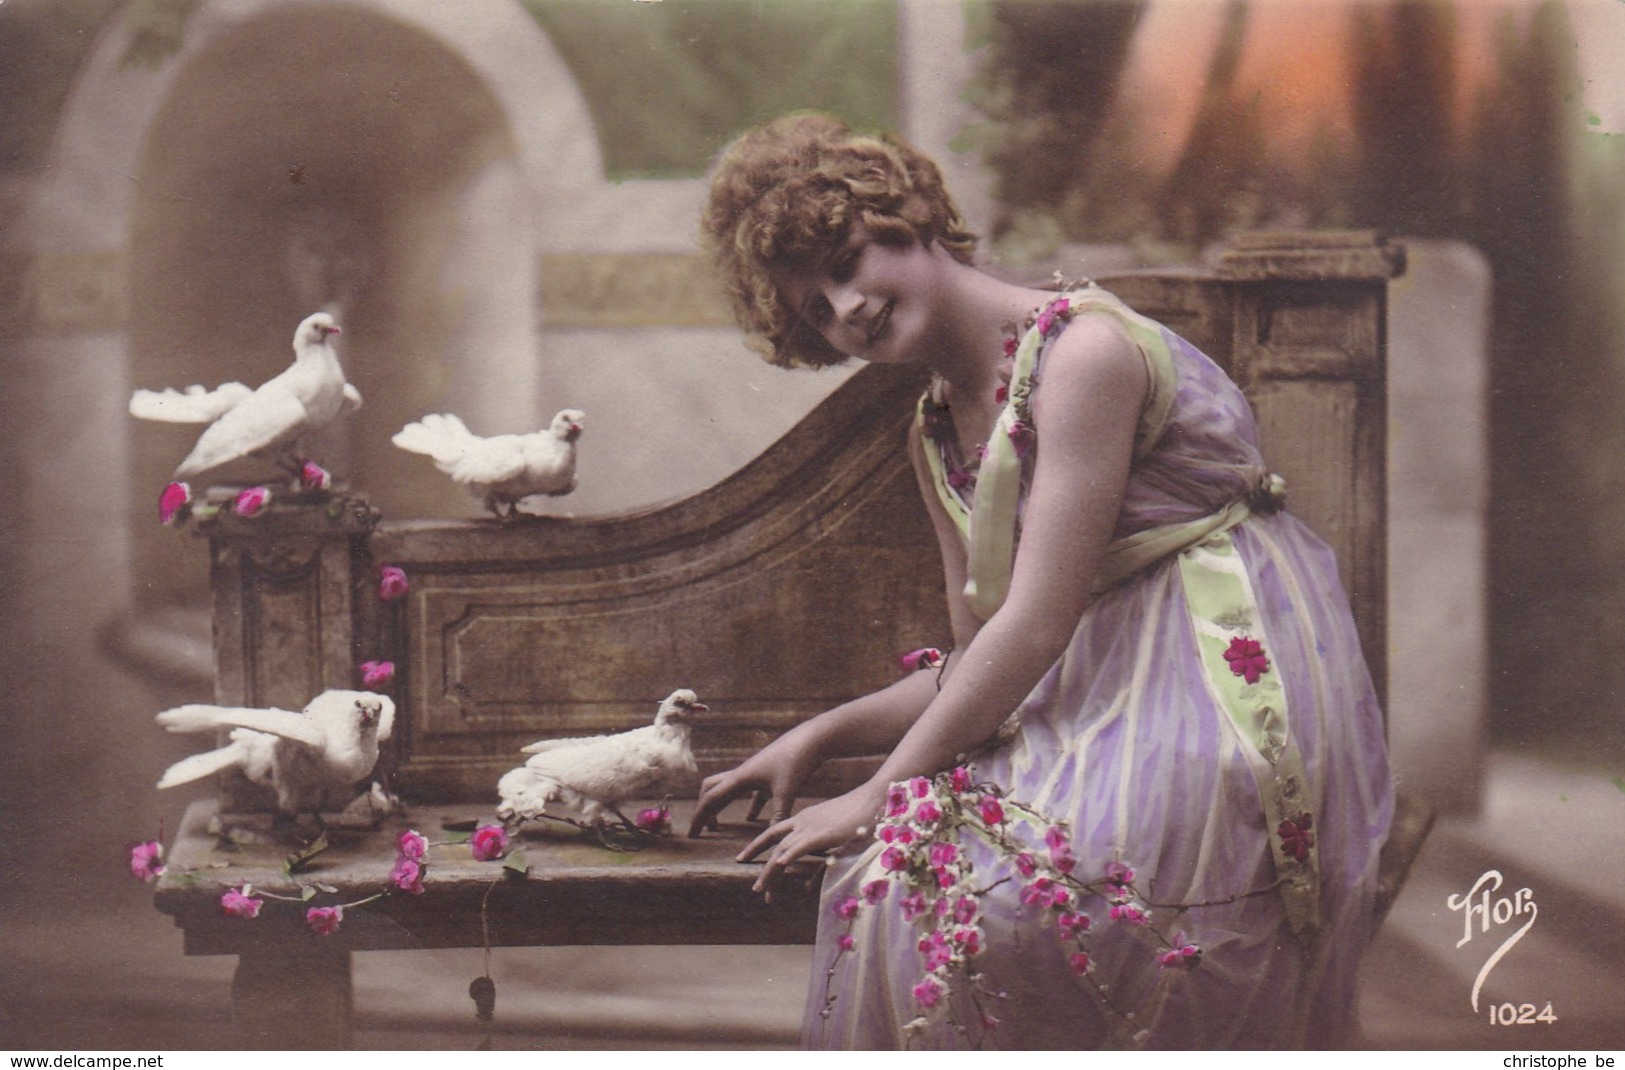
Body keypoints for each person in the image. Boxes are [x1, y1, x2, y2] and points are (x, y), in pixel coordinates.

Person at [689, 113, 1393, 1050]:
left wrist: (874, 794)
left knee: (1008, 897)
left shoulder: (1082, 355)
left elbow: (1034, 627)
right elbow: (982, 652)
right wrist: (816, 740)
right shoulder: (933, 428)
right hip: (1093, 689)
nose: (847, 308)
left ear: (909, 221)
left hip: (1217, 686)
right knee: (904, 881)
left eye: (849, 263)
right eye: (816, 309)